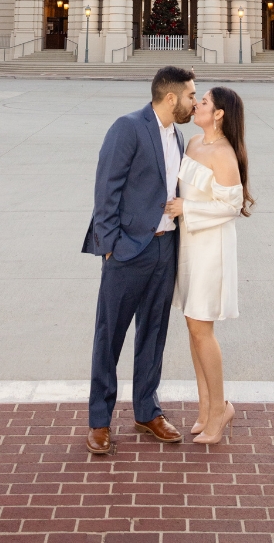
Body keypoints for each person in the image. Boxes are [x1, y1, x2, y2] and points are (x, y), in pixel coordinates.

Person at [82, 64, 196, 455]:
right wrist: (109, 244)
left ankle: (147, 411)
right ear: (170, 98)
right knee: (110, 335)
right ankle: (99, 420)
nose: (193, 102)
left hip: (165, 249)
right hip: (128, 251)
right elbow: (106, 186)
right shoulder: (128, 127)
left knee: (154, 333)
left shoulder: (177, 135)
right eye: (190, 95)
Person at [166, 85, 253, 444]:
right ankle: (204, 407)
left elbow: (231, 207)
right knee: (192, 325)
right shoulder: (192, 144)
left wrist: (188, 209)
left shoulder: (224, 154)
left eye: (203, 102)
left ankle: (220, 410)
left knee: (203, 328)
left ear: (218, 114)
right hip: (189, 245)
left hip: (211, 249)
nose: (196, 104)